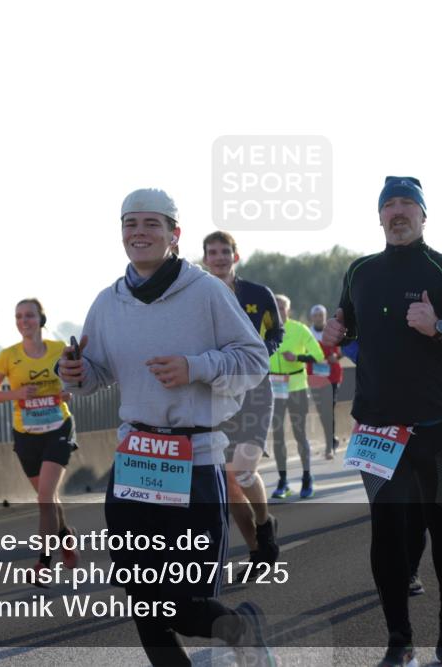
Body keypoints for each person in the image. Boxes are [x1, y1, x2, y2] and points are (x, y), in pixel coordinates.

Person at [57, 188, 274, 666]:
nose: (139, 233)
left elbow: (254, 360)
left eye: (151, 224)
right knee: (144, 602)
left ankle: (242, 629)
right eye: (130, 224)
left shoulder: (207, 292)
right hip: (135, 459)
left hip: (192, 459)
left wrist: (195, 366)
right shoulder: (108, 301)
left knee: (185, 604)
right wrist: (72, 371)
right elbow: (94, 375)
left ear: (175, 234)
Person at [323, 176, 442, 665]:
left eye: (407, 203)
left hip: (439, 428)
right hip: (378, 429)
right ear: (379, 216)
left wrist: (440, 327)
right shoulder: (359, 271)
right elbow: (351, 327)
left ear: (424, 215)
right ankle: (399, 641)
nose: (398, 211)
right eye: (390, 204)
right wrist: (337, 333)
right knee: (387, 531)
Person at [202, 230, 283, 564]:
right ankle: (256, 550)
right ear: (204, 259)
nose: (219, 258)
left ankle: (264, 524)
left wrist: (261, 353)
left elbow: (276, 331)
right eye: (212, 253)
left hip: (255, 390)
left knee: (243, 470)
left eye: (225, 252)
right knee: (229, 482)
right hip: (218, 393)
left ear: (235, 256)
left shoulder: (258, 294)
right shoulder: (197, 296)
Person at [0, 298, 79, 577]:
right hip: (26, 435)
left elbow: (76, 381)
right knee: (47, 497)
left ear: (41, 319)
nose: (23, 321)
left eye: (29, 315)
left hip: (58, 428)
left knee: (45, 498)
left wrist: (69, 391)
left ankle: (43, 564)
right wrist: (17, 394)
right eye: (19, 317)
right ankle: (65, 535)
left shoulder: (59, 350)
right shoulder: (7, 356)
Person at [268, 295, 325, 499]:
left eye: (282, 307)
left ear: (288, 310)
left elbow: (318, 356)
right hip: (274, 388)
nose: (279, 310)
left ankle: (307, 477)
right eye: (275, 307)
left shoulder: (299, 329)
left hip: (297, 387)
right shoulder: (264, 330)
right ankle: (283, 481)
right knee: (278, 436)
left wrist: (297, 357)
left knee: (300, 434)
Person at [308, 304, 344, 460]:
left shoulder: (332, 331)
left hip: (332, 376)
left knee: (328, 409)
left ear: (325, 316)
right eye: (316, 316)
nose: (318, 318)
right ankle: (332, 439)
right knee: (322, 411)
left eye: (321, 316)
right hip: (315, 377)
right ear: (312, 317)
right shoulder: (308, 334)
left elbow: (342, 349)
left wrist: (336, 357)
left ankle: (329, 445)